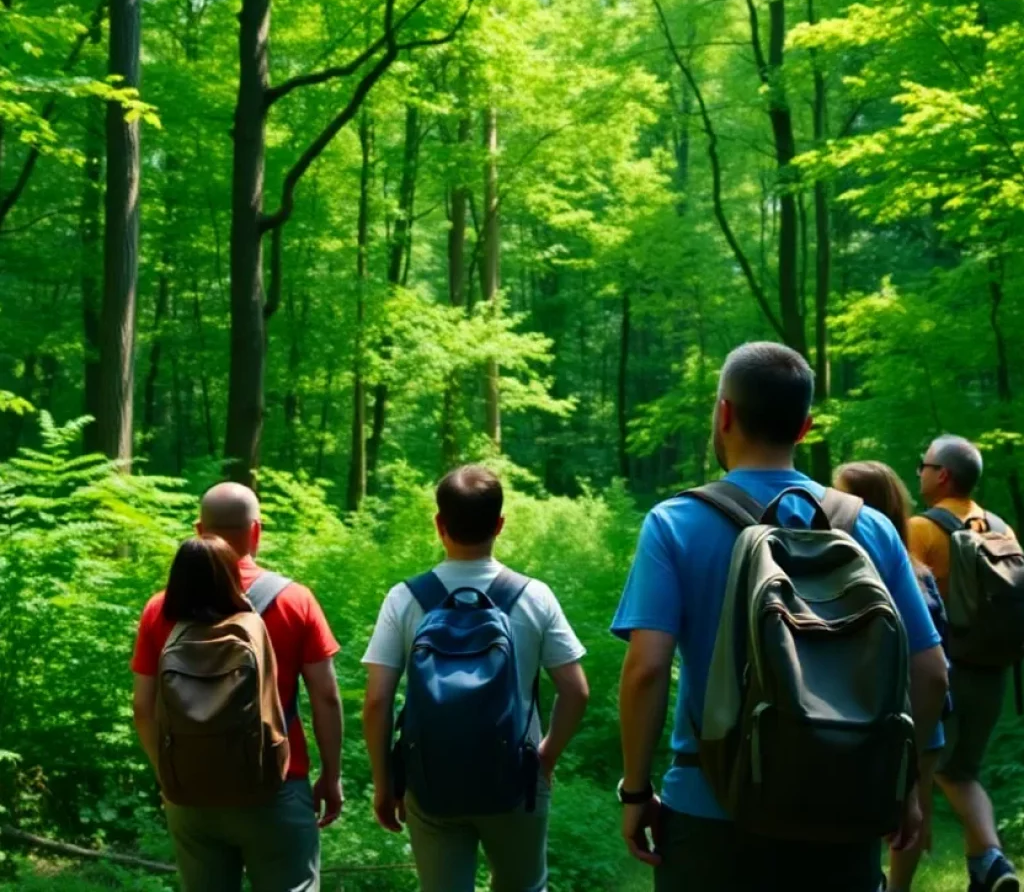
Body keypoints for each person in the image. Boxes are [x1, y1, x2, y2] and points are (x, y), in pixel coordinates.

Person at [613, 342, 949, 892]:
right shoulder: (871, 529)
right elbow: (931, 672)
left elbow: (646, 670)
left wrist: (634, 791)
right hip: (843, 809)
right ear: (806, 427)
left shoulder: (674, 522)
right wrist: (904, 786)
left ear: (724, 415)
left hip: (711, 809)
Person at [362, 465, 590, 892]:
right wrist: (545, 758)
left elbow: (377, 702)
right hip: (515, 776)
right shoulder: (533, 596)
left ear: (439, 524)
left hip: (431, 782)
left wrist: (385, 782)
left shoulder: (405, 599)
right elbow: (576, 690)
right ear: (499, 525)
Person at [132, 482, 343, 892]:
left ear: (199, 530)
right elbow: (326, 696)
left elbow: (144, 707)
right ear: (256, 531)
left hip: (192, 796)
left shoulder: (163, 608)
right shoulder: (294, 601)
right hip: (276, 785)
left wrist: (170, 776)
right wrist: (331, 776)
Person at [909, 436, 1019, 892]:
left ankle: (992, 857)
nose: (919, 472)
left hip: (948, 671)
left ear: (943, 475)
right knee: (963, 770)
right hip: (995, 669)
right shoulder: (1000, 527)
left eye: (924, 464)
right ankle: (982, 873)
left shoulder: (920, 528)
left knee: (942, 771)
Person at [835, 460, 949, 892]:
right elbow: (940, 655)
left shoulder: (858, 569)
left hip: (886, 711)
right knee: (912, 809)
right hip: (925, 713)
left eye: (841, 494)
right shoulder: (918, 573)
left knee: (892, 811)